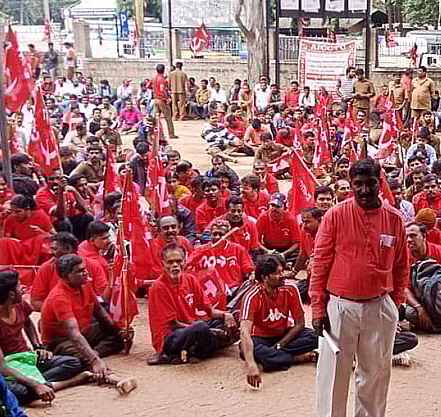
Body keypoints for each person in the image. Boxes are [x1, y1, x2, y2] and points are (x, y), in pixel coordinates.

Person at [312, 158, 409, 417]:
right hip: (340, 307)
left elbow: (401, 265)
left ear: (380, 183)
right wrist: (318, 309)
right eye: (358, 185)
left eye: (371, 184)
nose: (365, 190)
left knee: (375, 375)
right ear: (351, 185)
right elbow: (320, 263)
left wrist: (397, 303)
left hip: (379, 306)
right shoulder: (335, 215)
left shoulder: (394, 219)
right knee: (333, 376)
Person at [0, 270, 92, 406]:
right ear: (11, 294)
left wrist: (37, 346)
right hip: (9, 367)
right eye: (19, 286)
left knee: (73, 363)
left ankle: (38, 384)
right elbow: (0, 366)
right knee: (20, 392)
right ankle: (63, 383)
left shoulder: (20, 305)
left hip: (27, 358)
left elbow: (28, 323)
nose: (22, 288)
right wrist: (35, 384)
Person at [40, 254, 137, 395]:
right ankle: (116, 380)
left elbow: (100, 313)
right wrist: (95, 360)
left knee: (122, 333)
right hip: (61, 341)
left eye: (84, 269)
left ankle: (90, 354)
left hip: (84, 332)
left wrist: (119, 332)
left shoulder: (84, 285)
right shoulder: (59, 297)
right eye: (80, 271)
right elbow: (73, 335)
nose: (85, 272)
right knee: (82, 360)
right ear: (67, 276)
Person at [147, 245, 237, 365]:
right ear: (163, 263)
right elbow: (173, 325)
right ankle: (203, 348)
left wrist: (227, 315)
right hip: (171, 336)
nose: (175, 265)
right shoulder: (158, 287)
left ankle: (196, 349)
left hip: (192, 327)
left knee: (237, 317)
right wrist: (210, 331)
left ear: (184, 261)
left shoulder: (190, 279)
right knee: (201, 328)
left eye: (178, 261)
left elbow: (210, 310)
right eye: (170, 262)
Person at [240, 253, 318, 387]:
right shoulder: (252, 295)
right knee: (247, 349)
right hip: (261, 337)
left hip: (284, 335)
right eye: (277, 273)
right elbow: (244, 332)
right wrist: (251, 364)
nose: (283, 276)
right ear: (265, 277)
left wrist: (279, 345)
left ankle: (275, 357)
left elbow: (300, 323)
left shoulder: (291, 289)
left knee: (315, 336)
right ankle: (298, 358)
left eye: (282, 271)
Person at [257, 192, 301, 264]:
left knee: (300, 254)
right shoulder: (263, 217)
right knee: (255, 254)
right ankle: (283, 263)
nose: (274, 209)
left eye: (278, 206)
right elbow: (256, 240)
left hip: (287, 250)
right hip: (268, 249)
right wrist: (266, 251)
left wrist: (284, 254)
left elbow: (297, 243)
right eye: (272, 205)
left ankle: (278, 262)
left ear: (284, 207)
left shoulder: (291, 219)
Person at [152, 63, 176, 138]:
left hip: (155, 99)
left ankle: (155, 133)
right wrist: (167, 99)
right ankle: (171, 134)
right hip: (161, 100)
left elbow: (148, 86)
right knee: (168, 118)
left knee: (155, 118)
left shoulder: (154, 78)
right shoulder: (162, 80)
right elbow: (162, 91)